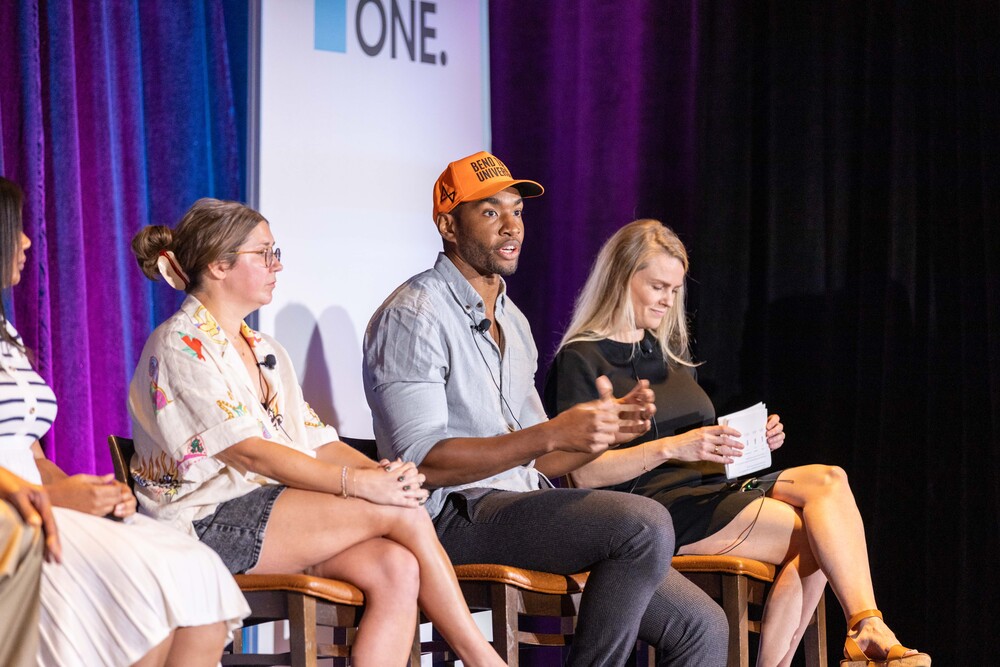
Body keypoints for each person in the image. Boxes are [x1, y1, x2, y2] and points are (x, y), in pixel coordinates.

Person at [363, 151, 728, 667]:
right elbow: (422, 463)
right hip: (451, 518)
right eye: (490, 212)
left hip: (519, 504)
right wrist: (552, 434)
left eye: (517, 211)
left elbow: (542, 459)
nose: (511, 226)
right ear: (448, 225)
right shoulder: (414, 315)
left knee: (703, 627)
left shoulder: (513, 320)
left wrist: (598, 437)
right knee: (642, 523)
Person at [127, 197, 505, 667]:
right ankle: (482, 658)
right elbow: (251, 453)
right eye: (264, 253)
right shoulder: (180, 344)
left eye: (276, 252)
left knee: (396, 566)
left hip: (269, 518)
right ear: (218, 265)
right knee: (402, 513)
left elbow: (318, 441)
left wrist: (383, 474)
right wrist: (359, 484)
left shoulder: (264, 349)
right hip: (203, 524)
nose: (277, 265)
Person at [543, 218, 931, 667]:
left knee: (830, 480)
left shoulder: (667, 357)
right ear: (620, 278)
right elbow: (583, 475)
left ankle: (867, 625)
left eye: (675, 290)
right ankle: (854, 638)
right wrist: (674, 447)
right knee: (819, 537)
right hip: (649, 513)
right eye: (657, 287)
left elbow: (696, 451)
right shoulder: (581, 358)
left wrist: (748, 444)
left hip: (708, 491)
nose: (667, 300)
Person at [0, 175, 250, 666]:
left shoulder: (6, 334)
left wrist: (83, 490)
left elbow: (31, 456)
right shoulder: (177, 340)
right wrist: (52, 498)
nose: (27, 241)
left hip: (41, 500)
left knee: (198, 573)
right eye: (15, 227)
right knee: (143, 594)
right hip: (16, 511)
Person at [0, 466, 51, 667]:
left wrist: (92, 492)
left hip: (35, 495)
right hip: (22, 505)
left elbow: (37, 460)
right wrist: (51, 496)